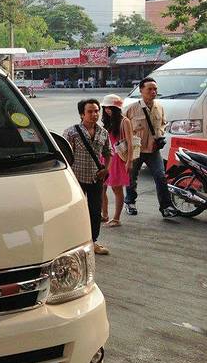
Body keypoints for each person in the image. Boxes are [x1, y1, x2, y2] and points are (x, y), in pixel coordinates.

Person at [124, 77, 178, 218]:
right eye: (149, 89)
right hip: (136, 150)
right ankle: (130, 202)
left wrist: (159, 136)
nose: (153, 92)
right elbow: (122, 128)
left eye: (155, 89)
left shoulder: (159, 107)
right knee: (131, 178)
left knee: (161, 177)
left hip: (153, 150)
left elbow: (163, 124)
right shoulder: (131, 109)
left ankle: (166, 207)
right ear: (141, 90)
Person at [64, 99, 112, 255]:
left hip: (95, 178)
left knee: (95, 211)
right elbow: (64, 155)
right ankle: (72, 242)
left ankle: (93, 241)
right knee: (75, 211)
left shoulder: (103, 132)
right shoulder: (71, 132)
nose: (94, 114)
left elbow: (108, 153)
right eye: (90, 111)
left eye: (96, 111)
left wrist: (106, 169)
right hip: (76, 179)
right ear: (81, 114)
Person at [100, 94, 133, 227]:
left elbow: (130, 142)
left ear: (116, 108)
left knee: (116, 189)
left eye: (110, 107)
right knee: (102, 187)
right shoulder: (107, 121)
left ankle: (116, 218)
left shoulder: (124, 121)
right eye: (105, 107)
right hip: (106, 156)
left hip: (118, 158)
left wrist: (129, 161)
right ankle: (105, 214)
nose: (107, 110)